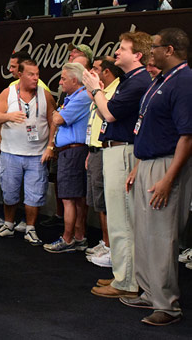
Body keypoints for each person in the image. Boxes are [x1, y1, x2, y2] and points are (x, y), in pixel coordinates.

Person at [123, 27, 192, 326]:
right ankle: (150, 292)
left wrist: (167, 178)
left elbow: (187, 137)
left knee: (162, 235)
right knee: (145, 233)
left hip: (167, 165)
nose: (151, 53)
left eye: (155, 48)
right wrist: (139, 165)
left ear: (171, 50)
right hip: (148, 162)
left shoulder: (185, 81)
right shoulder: (162, 80)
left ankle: (167, 306)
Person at [82, 31, 153, 299]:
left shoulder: (138, 82)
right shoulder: (130, 80)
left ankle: (127, 281)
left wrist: (95, 88)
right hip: (116, 150)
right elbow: (105, 111)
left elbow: (109, 113)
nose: (116, 53)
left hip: (124, 152)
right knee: (119, 217)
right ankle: (123, 275)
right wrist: (96, 93)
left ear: (137, 55)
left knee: (123, 218)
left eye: (122, 49)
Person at [0, 59, 57, 245]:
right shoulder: (8, 93)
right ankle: (9, 224)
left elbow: (54, 122)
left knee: (34, 194)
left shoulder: (45, 95)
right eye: (31, 74)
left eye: (37, 74)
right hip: (10, 152)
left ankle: (30, 228)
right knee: (9, 191)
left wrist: (51, 146)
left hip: (37, 154)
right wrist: (8, 116)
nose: (36, 78)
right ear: (20, 75)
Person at [43, 63, 92, 253]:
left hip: (72, 153)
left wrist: (56, 113)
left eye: (63, 78)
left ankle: (68, 238)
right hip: (73, 151)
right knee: (76, 197)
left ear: (74, 80)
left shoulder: (80, 97)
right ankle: (79, 237)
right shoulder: (77, 96)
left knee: (69, 198)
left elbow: (57, 119)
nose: (60, 82)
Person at [84, 56, 123, 266]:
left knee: (107, 202)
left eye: (96, 69)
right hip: (96, 149)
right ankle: (106, 241)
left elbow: (108, 117)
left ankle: (111, 245)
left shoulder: (115, 91)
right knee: (98, 200)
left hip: (108, 150)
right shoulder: (100, 92)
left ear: (107, 72)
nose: (92, 72)